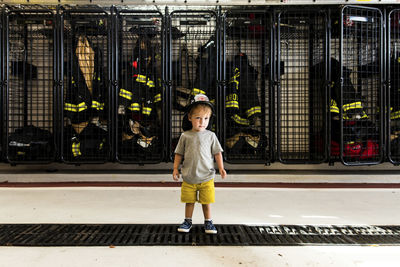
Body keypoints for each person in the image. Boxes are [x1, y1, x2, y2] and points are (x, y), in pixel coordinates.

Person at [172, 94, 227, 234]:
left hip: (206, 177)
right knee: (189, 201)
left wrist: (221, 168)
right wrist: (175, 169)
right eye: (198, 118)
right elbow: (179, 154)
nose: (202, 122)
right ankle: (187, 220)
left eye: (206, 118)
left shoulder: (211, 136)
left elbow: (217, 153)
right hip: (189, 177)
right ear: (190, 117)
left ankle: (208, 222)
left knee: (206, 201)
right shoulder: (185, 136)